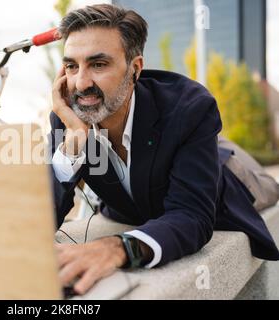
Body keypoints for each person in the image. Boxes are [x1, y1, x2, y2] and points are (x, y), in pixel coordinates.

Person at [48, 3, 279, 295]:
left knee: (265, 184)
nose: (80, 82)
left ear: (135, 69)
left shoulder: (191, 107)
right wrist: (73, 144)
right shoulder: (68, 116)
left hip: (226, 178)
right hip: (162, 169)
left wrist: (118, 248)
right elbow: (42, 217)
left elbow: (191, 215)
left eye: (98, 64)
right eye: (71, 66)